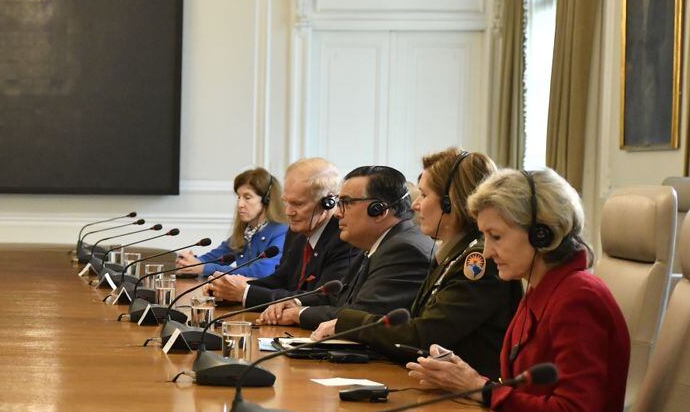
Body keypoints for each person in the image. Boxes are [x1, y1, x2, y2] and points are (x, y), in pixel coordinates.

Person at [407, 168, 630, 412]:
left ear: (541, 234)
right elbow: (527, 389)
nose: (486, 253)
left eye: (496, 236)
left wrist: (478, 387)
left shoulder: (578, 298)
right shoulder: (540, 287)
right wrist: (460, 376)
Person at [307, 149, 521, 376]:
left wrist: (346, 323)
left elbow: (425, 336)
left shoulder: (477, 261)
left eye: (425, 195)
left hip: (466, 400)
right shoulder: (453, 255)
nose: (415, 205)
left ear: (450, 203)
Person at [260, 164, 433, 329]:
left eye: (346, 203)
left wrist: (299, 314)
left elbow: (361, 315)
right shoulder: (378, 244)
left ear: (378, 210)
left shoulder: (404, 251)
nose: (337, 212)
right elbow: (338, 298)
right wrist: (296, 303)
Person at [209, 158, 358, 307]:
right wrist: (231, 289)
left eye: (297, 204)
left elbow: (324, 299)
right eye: (286, 201)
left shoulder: (345, 239)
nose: (288, 212)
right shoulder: (297, 232)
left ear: (328, 202)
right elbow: (282, 279)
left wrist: (245, 293)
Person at [174, 168, 286, 278]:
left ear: (267, 200)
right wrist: (189, 262)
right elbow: (215, 258)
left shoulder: (281, 232)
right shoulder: (246, 231)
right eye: (239, 197)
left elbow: (260, 272)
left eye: (247, 197)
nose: (240, 204)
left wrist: (204, 267)